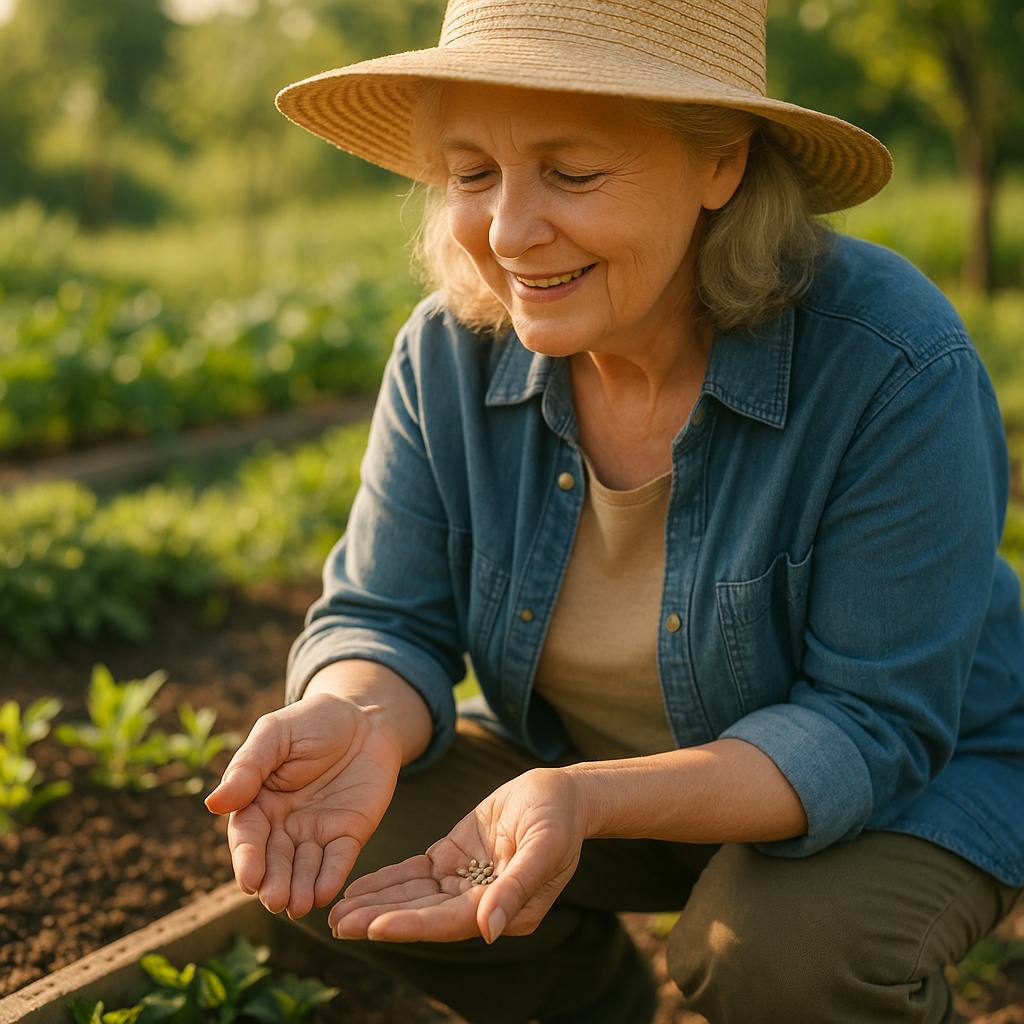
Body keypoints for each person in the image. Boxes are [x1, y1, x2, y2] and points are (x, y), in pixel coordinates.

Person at [205, 2, 1024, 1022]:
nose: (507, 232)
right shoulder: (446, 355)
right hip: (581, 777)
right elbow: (386, 613)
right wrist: (353, 713)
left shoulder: (890, 365)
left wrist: (593, 796)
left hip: (906, 784)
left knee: (781, 953)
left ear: (720, 164)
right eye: (471, 173)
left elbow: (869, 724)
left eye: (573, 173)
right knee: (326, 830)